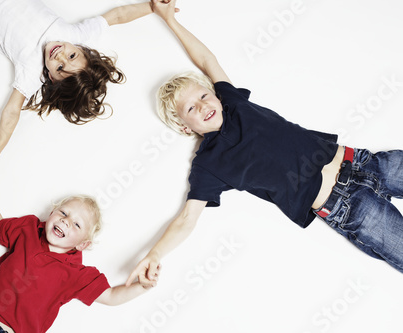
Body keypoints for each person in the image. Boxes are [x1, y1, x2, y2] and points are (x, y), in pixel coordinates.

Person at [126, 0, 403, 288]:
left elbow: (208, 61)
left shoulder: (232, 103)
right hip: (348, 207)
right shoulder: (208, 164)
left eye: (203, 97)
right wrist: (154, 254)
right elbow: (186, 218)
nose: (202, 106)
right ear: (185, 127)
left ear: (215, 95)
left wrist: (170, 20)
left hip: (365, 163)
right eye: (191, 109)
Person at [0, 165, 155, 333]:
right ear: (52, 214)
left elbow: (111, 296)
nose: (66, 221)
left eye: (76, 224)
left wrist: (142, 287)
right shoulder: (28, 229)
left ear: (82, 244)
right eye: (64, 213)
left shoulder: (77, 273)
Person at [0, 0, 157, 187]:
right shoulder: (75, 35)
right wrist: (153, 6)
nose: (60, 55)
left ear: (51, 78)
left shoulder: (32, 71)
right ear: (81, 50)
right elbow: (117, 16)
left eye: (60, 67)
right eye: (71, 55)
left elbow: (12, 112)